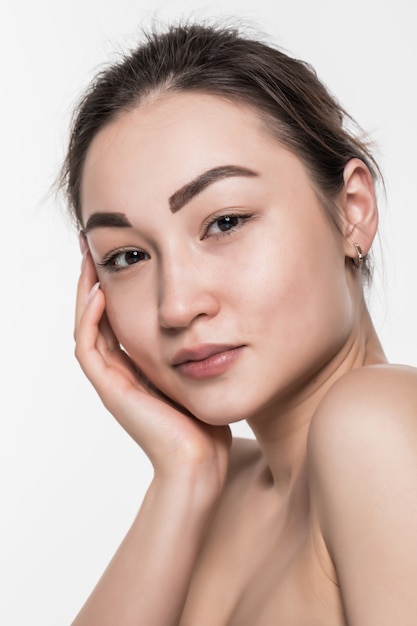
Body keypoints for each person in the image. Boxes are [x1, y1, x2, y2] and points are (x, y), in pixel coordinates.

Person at [61, 21, 417, 625]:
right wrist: (185, 476)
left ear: (352, 212)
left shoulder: (378, 425)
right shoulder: (215, 491)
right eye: (127, 257)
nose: (177, 306)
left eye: (224, 222)